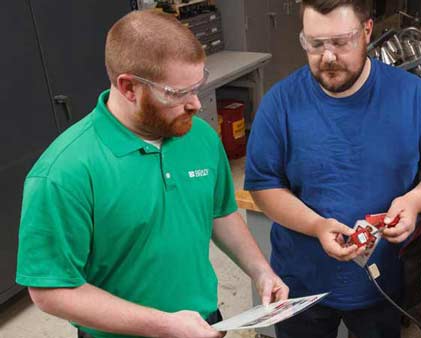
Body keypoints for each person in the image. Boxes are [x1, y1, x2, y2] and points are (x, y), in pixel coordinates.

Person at [16, 10, 288, 338]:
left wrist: (260, 271)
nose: (196, 105)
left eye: (198, 85)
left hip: (205, 324)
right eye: (177, 94)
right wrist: (164, 325)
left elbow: (219, 212)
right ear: (129, 87)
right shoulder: (63, 172)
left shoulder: (199, 137)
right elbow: (49, 291)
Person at [244, 0, 421, 337]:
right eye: (315, 44)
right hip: (301, 285)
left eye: (341, 43)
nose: (328, 57)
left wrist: (417, 200)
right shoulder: (280, 103)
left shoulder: (412, 96)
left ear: (367, 32)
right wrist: (316, 225)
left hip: (381, 282)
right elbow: (262, 185)